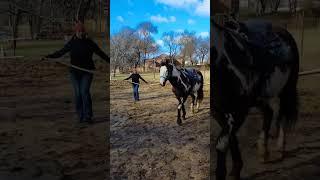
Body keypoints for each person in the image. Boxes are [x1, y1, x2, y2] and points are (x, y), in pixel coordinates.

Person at [43, 22, 109, 124]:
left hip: (87, 71)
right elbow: (61, 52)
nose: (81, 33)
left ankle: (88, 116)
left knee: (84, 92)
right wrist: (49, 56)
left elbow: (101, 53)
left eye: (83, 31)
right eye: (79, 31)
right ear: (76, 32)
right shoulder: (72, 42)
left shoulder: (89, 42)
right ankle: (80, 115)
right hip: (74, 72)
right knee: (78, 94)